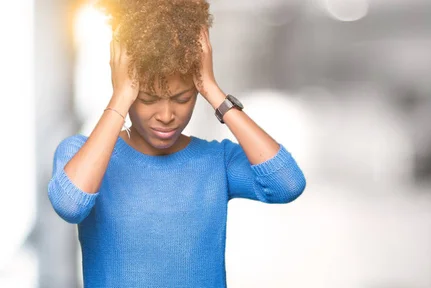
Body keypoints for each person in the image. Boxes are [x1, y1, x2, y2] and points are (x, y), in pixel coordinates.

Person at [47, 0, 306, 287]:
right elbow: (70, 205)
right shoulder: (81, 154)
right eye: (147, 99)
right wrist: (120, 96)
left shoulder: (216, 162)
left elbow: (288, 183)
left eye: (183, 99)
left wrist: (212, 89)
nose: (167, 116)